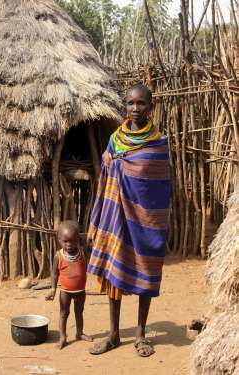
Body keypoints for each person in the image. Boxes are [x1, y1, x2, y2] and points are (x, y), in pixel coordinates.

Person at [87, 83, 171, 357]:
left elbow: (159, 185)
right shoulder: (115, 139)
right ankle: (112, 334)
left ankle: (140, 335)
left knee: (146, 268)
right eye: (130, 103)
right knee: (115, 270)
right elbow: (108, 171)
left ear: (150, 106)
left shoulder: (158, 144)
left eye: (141, 104)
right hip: (118, 216)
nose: (135, 109)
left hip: (146, 219)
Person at [45, 220, 92, 349]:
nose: (69, 245)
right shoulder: (58, 256)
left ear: (78, 239)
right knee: (64, 313)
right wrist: (53, 290)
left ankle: (79, 333)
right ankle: (63, 337)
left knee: (79, 312)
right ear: (59, 239)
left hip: (80, 290)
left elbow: (95, 256)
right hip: (65, 291)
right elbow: (55, 274)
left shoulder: (82, 252)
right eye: (65, 241)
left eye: (73, 241)